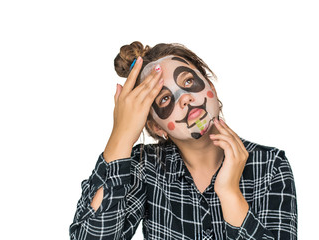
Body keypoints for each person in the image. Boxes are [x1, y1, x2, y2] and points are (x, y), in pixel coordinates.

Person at [69, 41, 297, 240]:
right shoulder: (144, 168)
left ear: (211, 88)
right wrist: (121, 136)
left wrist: (229, 193)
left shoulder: (270, 165)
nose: (185, 99)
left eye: (188, 82)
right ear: (156, 127)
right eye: (166, 97)